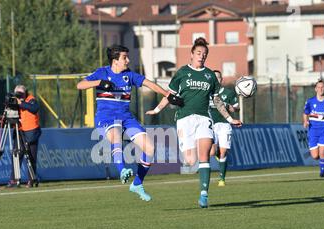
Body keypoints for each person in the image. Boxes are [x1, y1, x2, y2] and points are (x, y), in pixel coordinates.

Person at [76, 44, 182, 201]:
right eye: (124, 57)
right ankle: (122, 170)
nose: (128, 60)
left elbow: (149, 84)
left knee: (150, 148)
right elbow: (80, 85)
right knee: (116, 134)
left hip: (126, 118)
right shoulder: (102, 72)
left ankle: (137, 184)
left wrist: (167, 94)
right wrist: (99, 83)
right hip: (106, 118)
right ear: (115, 60)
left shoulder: (130, 75)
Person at [147, 38, 242, 208]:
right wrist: (156, 110)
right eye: (199, 53)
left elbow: (217, 101)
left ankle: (204, 195)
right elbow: (170, 94)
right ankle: (200, 177)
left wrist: (229, 119)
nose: (202, 56)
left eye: (204, 54)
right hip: (184, 119)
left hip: (204, 118)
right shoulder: (182, 72)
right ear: (191, 54)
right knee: (191, 161)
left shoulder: (210, 76)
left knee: (205, 156)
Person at [0, 85, 42, 188]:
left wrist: (20, 103)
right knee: (16, 155)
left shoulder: (31, 100)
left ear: (25, 93)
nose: (19, 96)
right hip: (19, 131)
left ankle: (31, 180)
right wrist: (2, 119)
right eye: (17, 93)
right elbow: (12, 115)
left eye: (21, 93)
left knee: (31, 157)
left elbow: (34, 109)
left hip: (32, 132)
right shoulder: (15, 101)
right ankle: (14, 180)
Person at [209, 70, 240, 187]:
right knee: (212, 152)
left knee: (224, 152)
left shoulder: (229, 93)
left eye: (218, 77)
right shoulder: (206, 93)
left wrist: (230, 107)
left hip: (224, 125)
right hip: (210, 125)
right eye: (214, 77)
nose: (216, 79)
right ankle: (217, 153)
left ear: (221, 80)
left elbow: (237, 108)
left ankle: (221, 179)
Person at [303, 79, 324, 177]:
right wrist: (305, 121)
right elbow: (305, 113)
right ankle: (323, 161)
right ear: (315, 89)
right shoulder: (310, 101)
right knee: (315, 156)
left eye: (322, 87)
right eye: (319, 87)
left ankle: (322, 173)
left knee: (322, 152)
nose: (320, 89)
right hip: (313, 130)